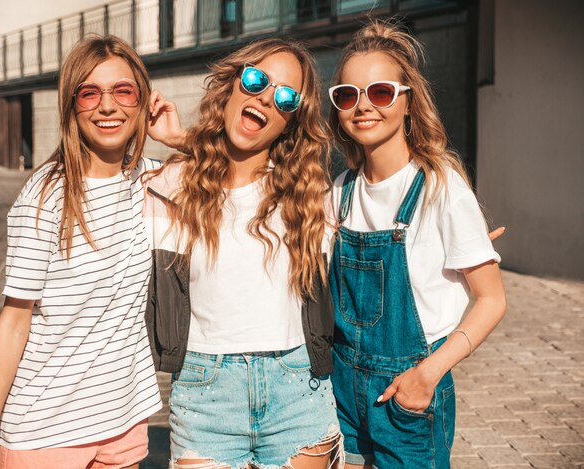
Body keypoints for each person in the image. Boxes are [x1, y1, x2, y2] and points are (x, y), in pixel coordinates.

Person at [143, 38, 343, 468]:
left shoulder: (310, 194)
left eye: (286, 98)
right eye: (256, 79)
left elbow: (379, 208)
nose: (267, 98)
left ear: (290, 122)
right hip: (205, 393)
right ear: (233, 83)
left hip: (298, 391)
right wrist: (183, 138)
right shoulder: (168, 187)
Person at [0, 35, 164, 469]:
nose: (107, 106)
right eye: (89, 93)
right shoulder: (46, 196)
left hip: (124, 421)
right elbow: (14, 319)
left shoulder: (155, 182)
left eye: (124, 91)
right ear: (71, 106)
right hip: (44, 431)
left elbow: (233, 173)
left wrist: (176, 133)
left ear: (144, 101)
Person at [326, 21, 507, 468]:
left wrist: (428, 374)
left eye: (381, 92)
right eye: (348, 95)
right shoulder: (340, 190)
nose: (363, 106)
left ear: (408, 102)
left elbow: (492, 300)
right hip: (341, 390)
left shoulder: (441, 187)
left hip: (409, 395)